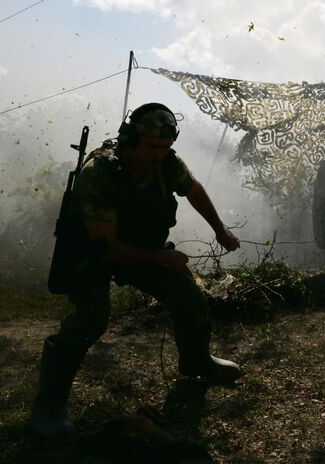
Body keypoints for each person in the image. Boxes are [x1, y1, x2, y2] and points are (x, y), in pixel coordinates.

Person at [32, 102, 242, 440]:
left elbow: (194, 190)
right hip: (94, 254)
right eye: (152, 147)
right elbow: (108, 248)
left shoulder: (166, 164)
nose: (160, 155)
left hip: (142, 248)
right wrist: (160, 259)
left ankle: (196, 363)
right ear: (130, 140)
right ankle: (50, 405)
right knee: (91, 318)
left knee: (189, 295)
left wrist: (220, 229)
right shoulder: (100, 174)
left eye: (166, 148)